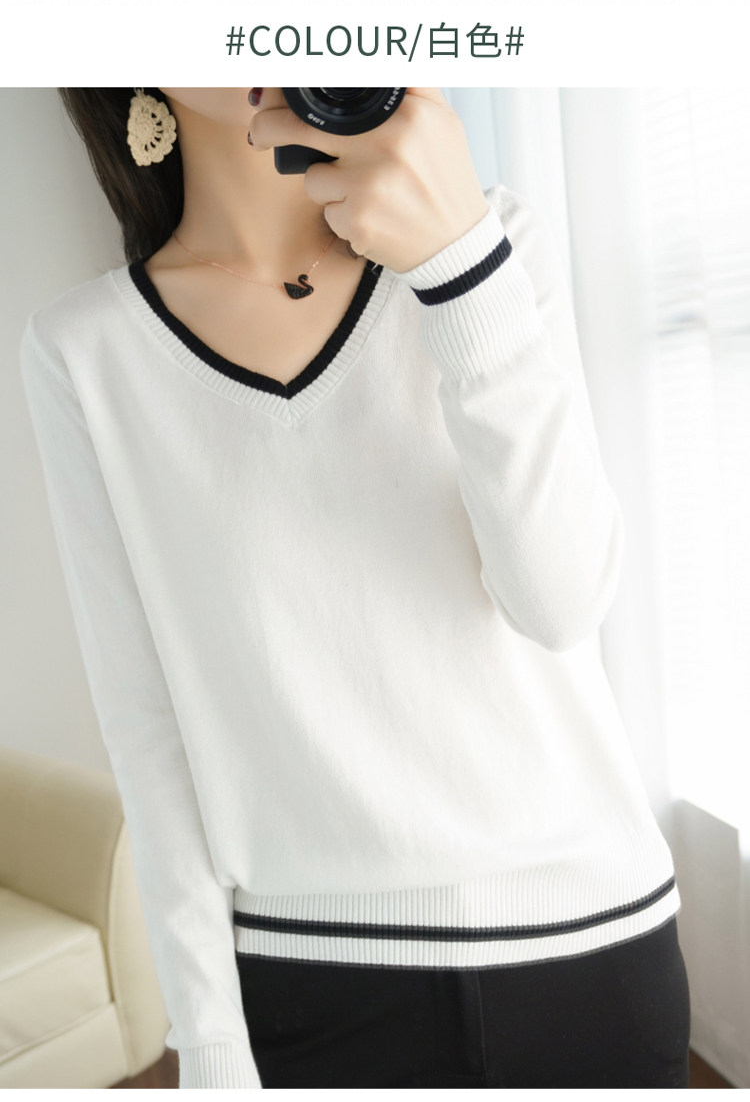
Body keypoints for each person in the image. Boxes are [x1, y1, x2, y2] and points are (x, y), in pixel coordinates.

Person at [18, 87, 691, 1089]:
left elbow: (562, 603)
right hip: (307, 984)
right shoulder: (86, 351)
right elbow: (148, 729)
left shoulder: (489, 241)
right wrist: (208, 1041)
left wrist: (459, 270)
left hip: (592, 950)